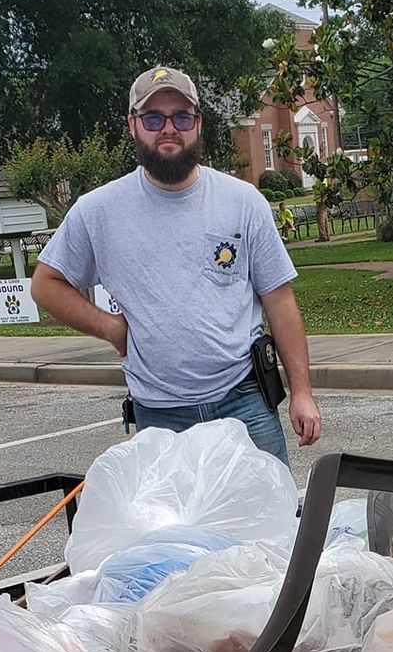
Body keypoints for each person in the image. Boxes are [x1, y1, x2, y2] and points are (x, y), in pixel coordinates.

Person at [31, 65, 320, 462]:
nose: (169, 128)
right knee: (176, 526)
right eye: (154, 117)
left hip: (245, 402)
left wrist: (301, 392)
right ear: (132, 125)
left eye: (182, 117)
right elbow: (45, 284)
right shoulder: (98, 211)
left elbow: (279, 300)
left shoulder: (243, 201)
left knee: (270, 522)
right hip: (160, 415)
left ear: (197, 124)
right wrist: (110, 328)